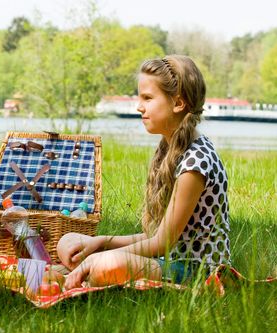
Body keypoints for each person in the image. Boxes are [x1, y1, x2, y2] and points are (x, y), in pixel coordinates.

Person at [58, 55, 231, 288]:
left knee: (105, 266)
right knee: (69, 241)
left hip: (196, 270)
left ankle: (90, 271)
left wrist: (100, 257)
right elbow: (153, 235)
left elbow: (162, 243)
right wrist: (98, 242)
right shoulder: (169, 149)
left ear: (178, 103)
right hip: (166, 258)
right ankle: (89, 267)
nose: (139, 107)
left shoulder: (195, 162)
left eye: (148, 98)